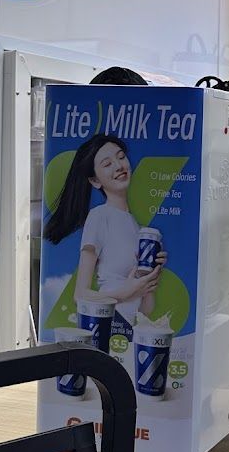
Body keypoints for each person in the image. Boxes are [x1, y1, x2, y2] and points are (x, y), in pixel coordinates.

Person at [44, 134, 167, 330]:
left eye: (121, 157)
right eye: (107, 163)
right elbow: (80, 295)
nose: (119, 166)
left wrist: (150, 278)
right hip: (106, 324)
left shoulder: (136, 226)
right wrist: (126, 292)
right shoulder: (99, 216)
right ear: (94, 180)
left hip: (127, 330)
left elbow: (145, 310)